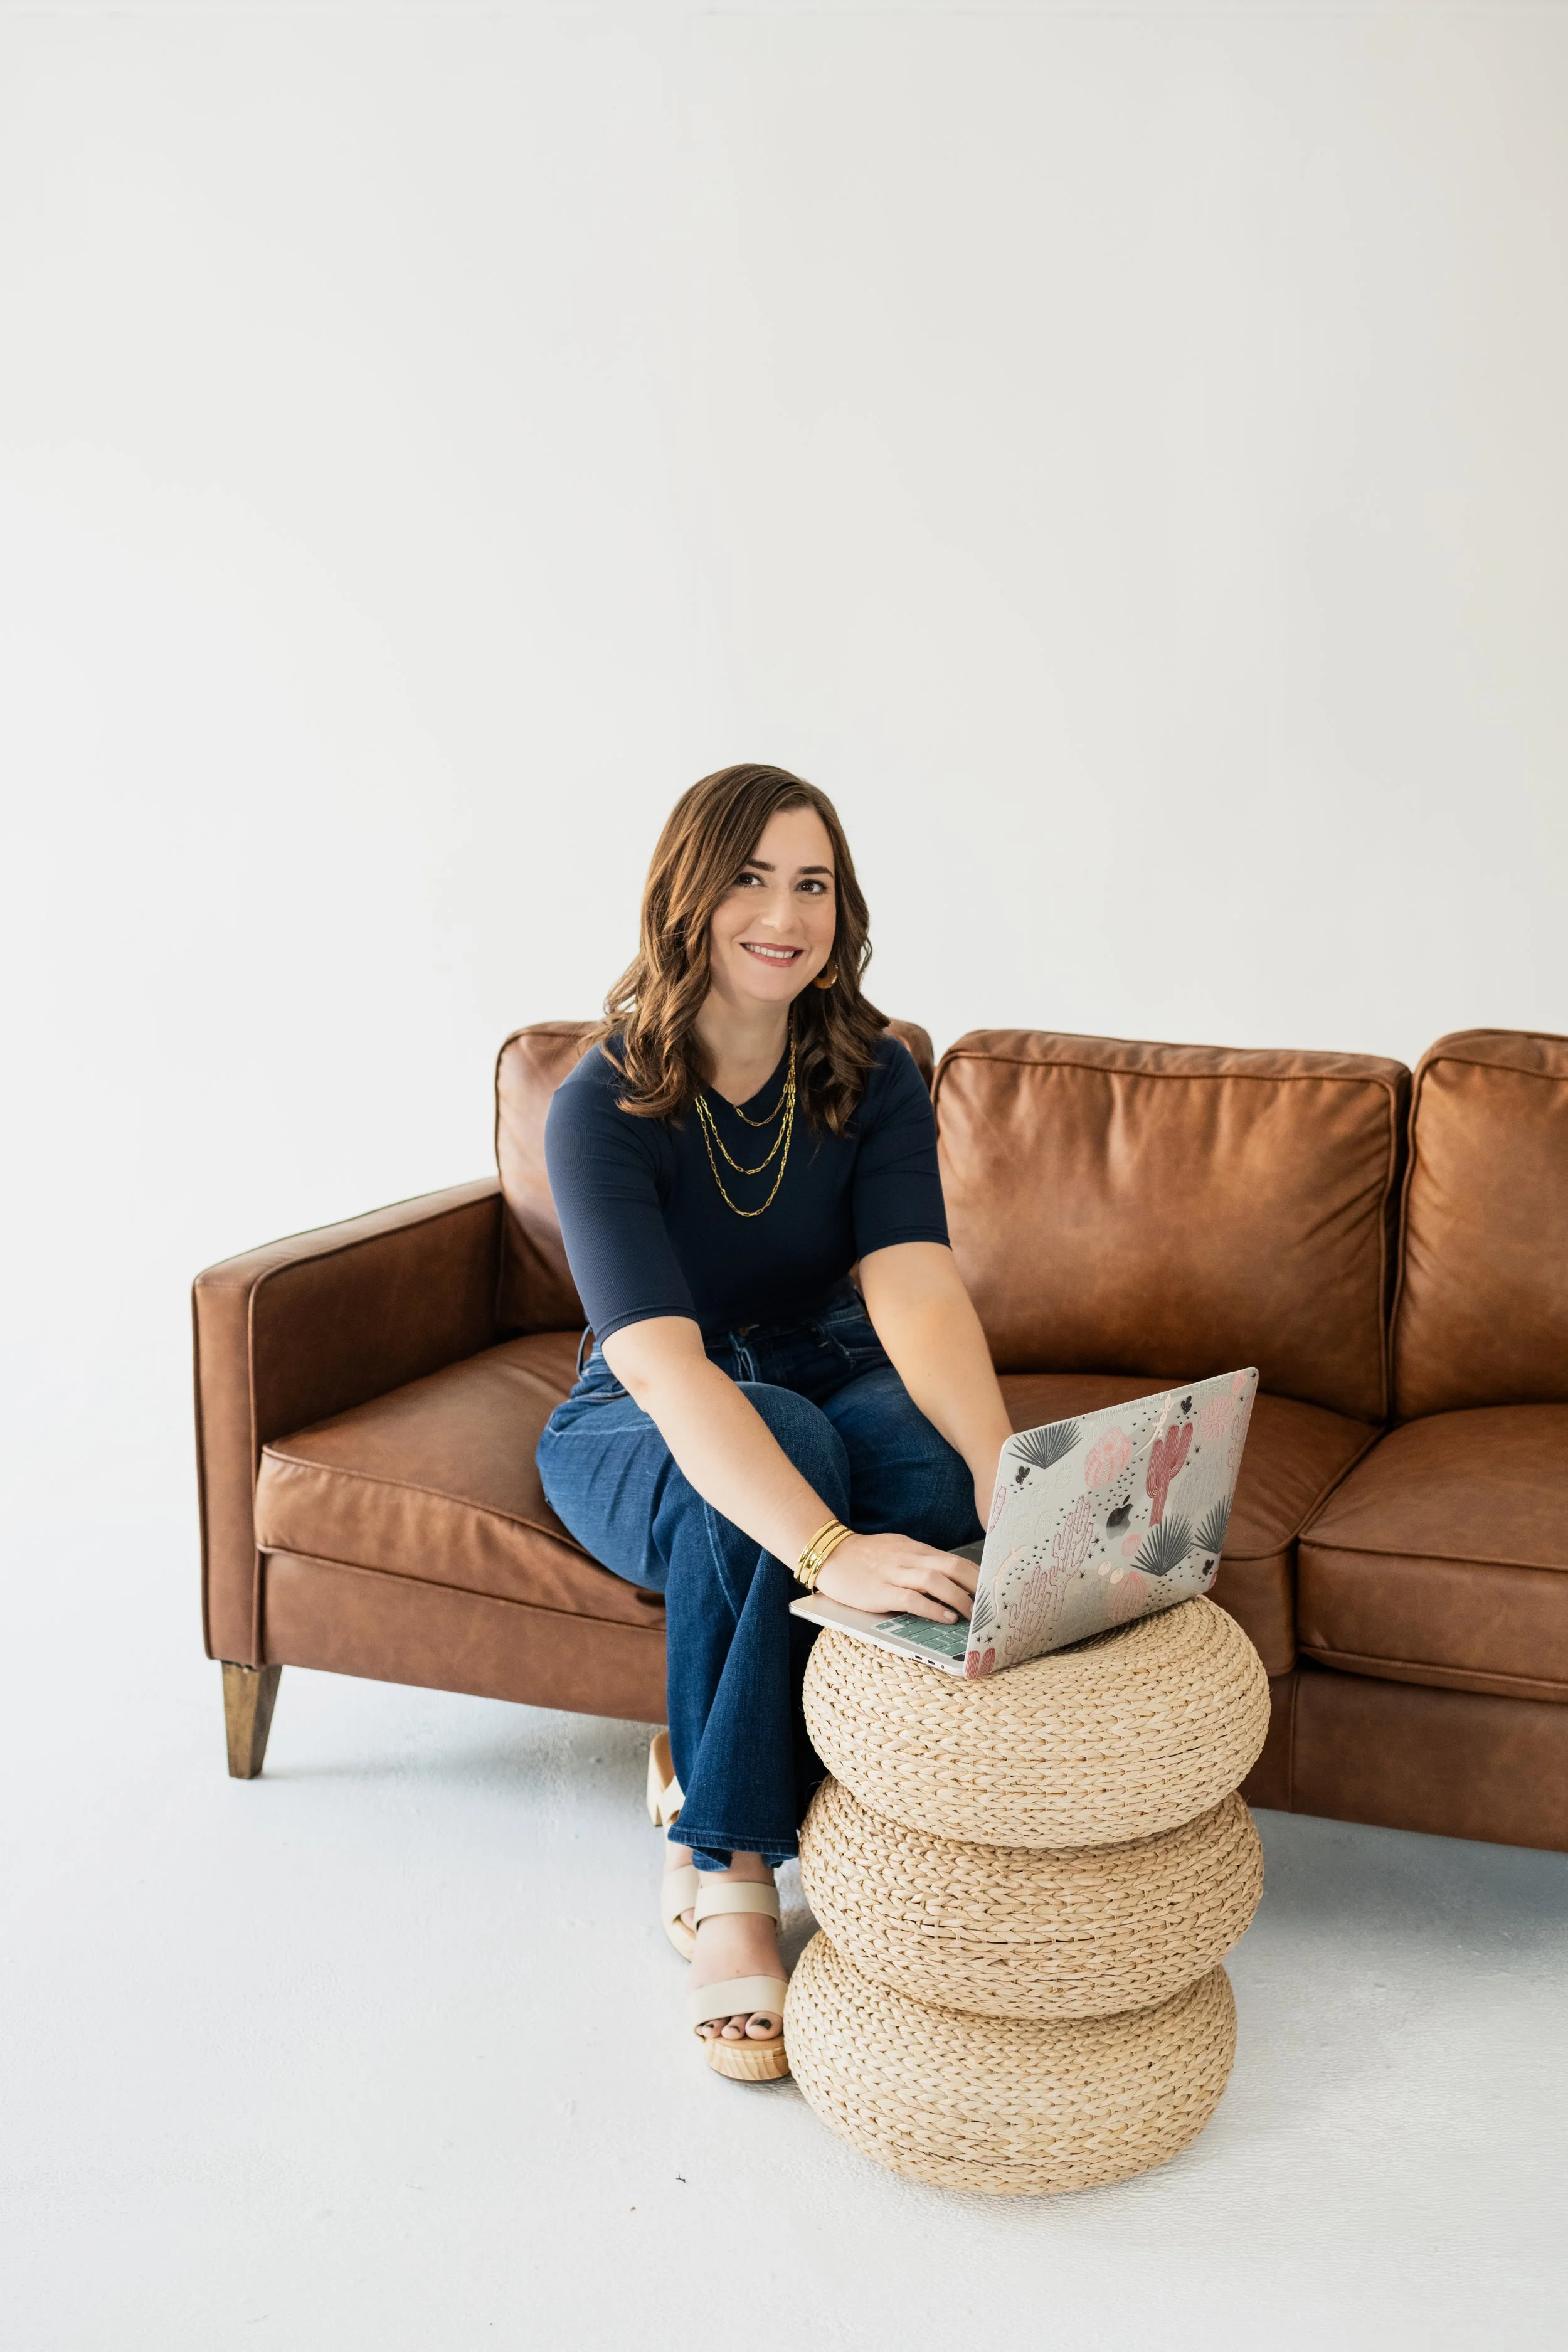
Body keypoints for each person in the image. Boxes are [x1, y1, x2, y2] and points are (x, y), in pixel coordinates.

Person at [536, 765, 1014, 2082]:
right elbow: (669, 1371)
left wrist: (998, 1470)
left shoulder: (876, 1070)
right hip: (640, 1407)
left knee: (920, 1465)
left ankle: (707, 1747)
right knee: (783, 1464)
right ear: (685, 897)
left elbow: (913, 1286)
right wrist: (823, 1553)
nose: (783, 912)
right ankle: (724, 1862)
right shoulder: (598, 1103)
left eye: (811, 883)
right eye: (749, 877)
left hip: (824, 1363)